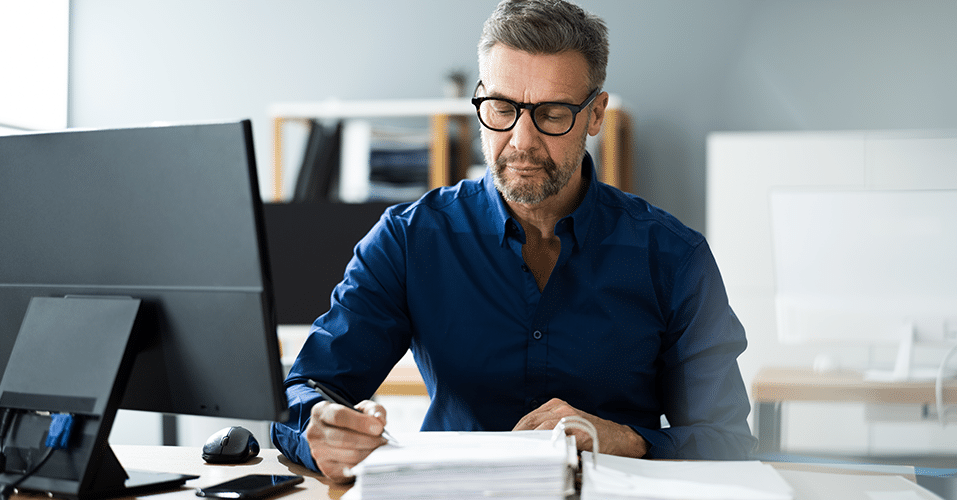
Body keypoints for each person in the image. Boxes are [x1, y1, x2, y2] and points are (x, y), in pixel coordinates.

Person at [272, 0, 756, 483]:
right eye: (502, 108)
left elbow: (728, 440)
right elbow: (305, 391)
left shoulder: (673, 257)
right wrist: (321, 430)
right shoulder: (409, 239)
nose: (521, 141)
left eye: (552, 114)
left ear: (596, 114)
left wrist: (622, 439)